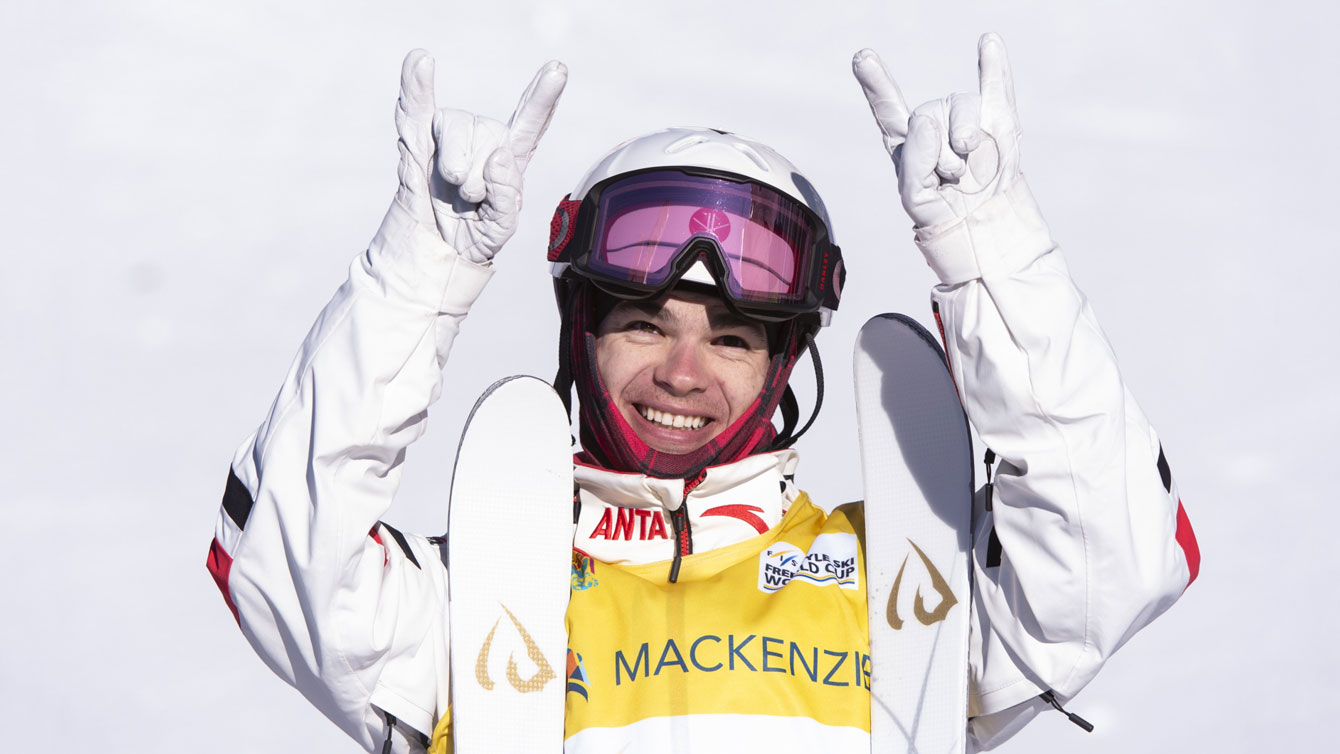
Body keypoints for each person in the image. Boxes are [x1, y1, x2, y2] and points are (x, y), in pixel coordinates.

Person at [207, 34, 1199, 753]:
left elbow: (1110, 554)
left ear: (781, 365)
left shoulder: (898, 585)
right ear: (578, 332)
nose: (681, 373)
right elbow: (280, 554)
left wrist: (991, 260)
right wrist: (418, 269)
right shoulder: (474, 601)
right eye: (643, 324)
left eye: (729, 339)